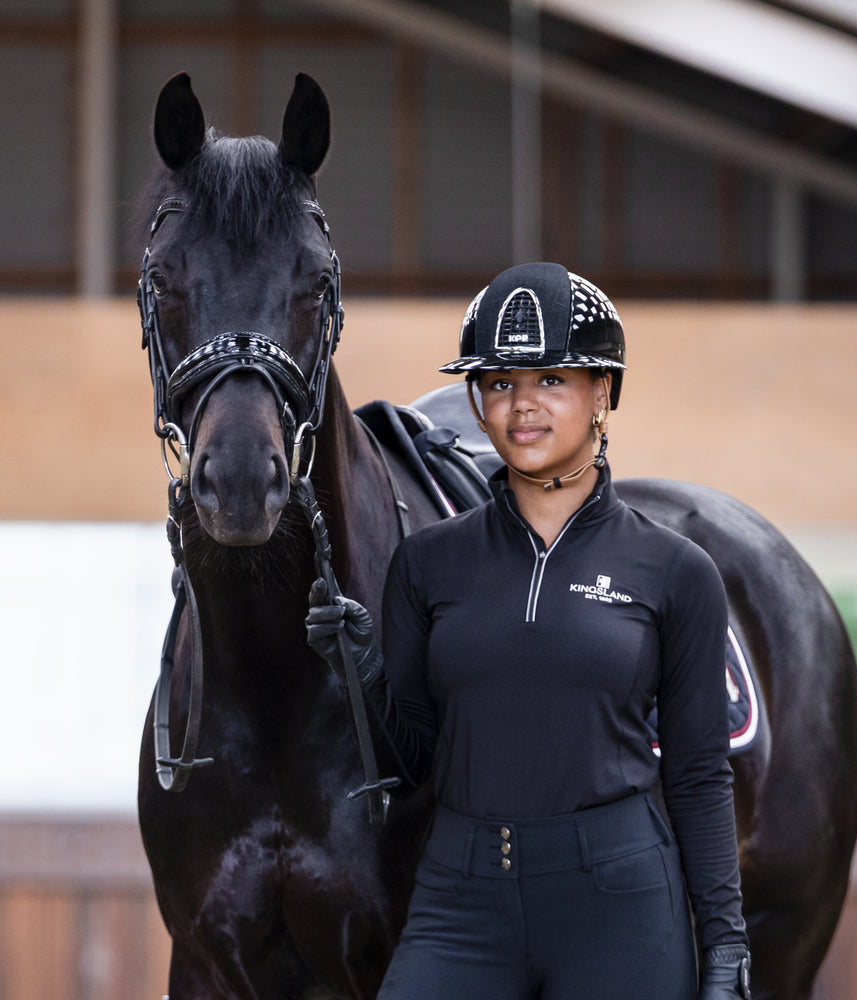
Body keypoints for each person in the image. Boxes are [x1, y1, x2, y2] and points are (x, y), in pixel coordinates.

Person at [306, 262, 751, 1000]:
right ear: (476, 403)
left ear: (603, 392)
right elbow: (414, 761)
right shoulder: (426, 564)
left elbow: (699, 777)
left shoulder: (676, 570)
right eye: (500, 384)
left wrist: (727, 948)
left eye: (551, 380)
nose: (521, 406)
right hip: (459, 899)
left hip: (619, 906)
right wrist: (365, 671)